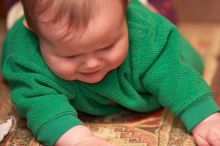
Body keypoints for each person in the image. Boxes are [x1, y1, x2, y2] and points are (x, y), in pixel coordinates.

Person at [1, 0, 220, 146]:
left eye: (107, 46)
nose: (92, 63)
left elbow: (175, 74)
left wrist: (205, 117)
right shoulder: (27, 57)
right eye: (70, 55)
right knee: (23, 12)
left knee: (163, 20)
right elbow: (38, 103)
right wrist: (77, 139)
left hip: (134, 11)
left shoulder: (144, 35)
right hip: (32, 20)